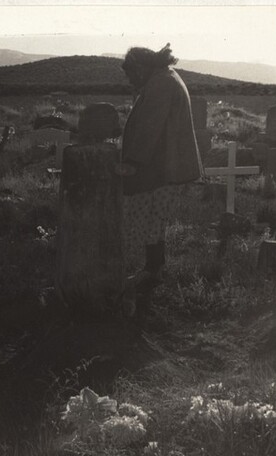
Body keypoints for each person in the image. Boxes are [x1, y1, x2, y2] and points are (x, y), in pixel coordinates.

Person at [118, 44, 202, 290]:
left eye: (131, 73)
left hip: (160, 165)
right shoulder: (164, 77)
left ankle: (152, 270)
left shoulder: (161, 83)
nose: (130, 79)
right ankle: (154, 269)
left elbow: (149, 126)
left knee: (151, 218)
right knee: (155, 220)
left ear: (141, 67)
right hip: (162, 162)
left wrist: (133, 162)